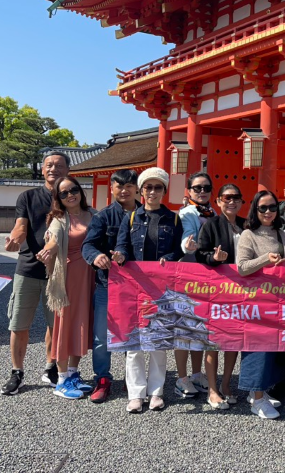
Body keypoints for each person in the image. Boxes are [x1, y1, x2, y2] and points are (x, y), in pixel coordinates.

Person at [114, 167, 184, 413]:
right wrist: (120, 255)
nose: (152, 192)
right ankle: (135, 394)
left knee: (158, 342)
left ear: (164, 191)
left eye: (157, 187)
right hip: (135, 286)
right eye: (148, 187)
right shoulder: (131, 217)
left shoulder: (173, 219)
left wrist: (170, 257)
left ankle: (156, 391)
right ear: (141, 191)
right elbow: (122, 244)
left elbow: (179, 249)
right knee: (134, 343)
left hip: (162, 288)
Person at [1, 150, 70, 396]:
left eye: (59, 165)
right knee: (19, 324)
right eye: (49, 165)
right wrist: (15, 239)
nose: (53, 169)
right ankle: (17, 372)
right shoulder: (28, 197)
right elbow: (21, 226)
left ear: (68, 170)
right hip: (28, 268)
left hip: (59, 271)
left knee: (56, 324)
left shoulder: (70, 196)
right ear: (42, 170)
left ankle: (51, 366)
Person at [81, 169, 140, 403]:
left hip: (139, 286)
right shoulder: (103, 217)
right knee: (101, 336)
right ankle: (103, 378)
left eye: (129, 186)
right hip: (108, 284)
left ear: (136, 188)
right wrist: (96, 256)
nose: (124, 190)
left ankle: (131, 376)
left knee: (133, 334)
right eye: (119, 186)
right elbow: (88, 245)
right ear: (112, 188)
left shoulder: (147, 214)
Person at [237, 190, 285, 419]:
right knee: (257, 349)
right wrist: (264, 260)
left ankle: (260, 391)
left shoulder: (281, 234)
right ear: (255, 210)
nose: (268, 212)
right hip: (257, 301)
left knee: (274, 349)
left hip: (279, 300)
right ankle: (257, 399)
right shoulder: (248, 234)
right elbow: (242, 267)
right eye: (263, 208)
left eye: (272, 207)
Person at [39, 175, 97, 399]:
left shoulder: (93, 214)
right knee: (65, 326)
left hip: (90, 278)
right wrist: (47, 251)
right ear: (58, 198)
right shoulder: (59, 219)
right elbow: (53, 240)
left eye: (73, 190)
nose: (70, 195)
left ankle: (73, 373)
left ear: (80, 191)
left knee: (82, 323)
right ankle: (61, 379)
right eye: (64, 193)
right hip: (68, 279)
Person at [195, 183, 245, 410]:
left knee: (233, 340)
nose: (231, 201)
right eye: (227, 198)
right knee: (213, 340)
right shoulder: (211, 225)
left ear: (242, 201)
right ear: (218, 201)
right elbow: (200, 254)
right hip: (217, 290)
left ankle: (226, 384)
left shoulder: (247, 224)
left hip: (242, 290)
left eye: (236, 197)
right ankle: (212, 390)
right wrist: (214, 259)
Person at [175, 171, 215, 399]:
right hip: (189, 273)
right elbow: (187, 237)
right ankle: (181, 378)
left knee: (200, 327)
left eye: (206, 187)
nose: (201, 191)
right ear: (189, 191)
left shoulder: (212, 211)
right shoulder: (187, 212)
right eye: (197, 188)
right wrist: (188, 245)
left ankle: (197, 374)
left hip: (206, 275)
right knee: (184, 327)